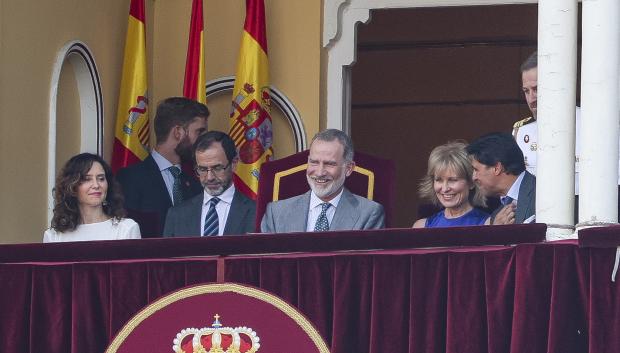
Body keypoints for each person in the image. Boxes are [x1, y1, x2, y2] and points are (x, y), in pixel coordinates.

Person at [261, 129, 385, 233]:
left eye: (329, 164)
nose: (320, 172)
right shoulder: (276, 213)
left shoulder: (369, 214)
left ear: (348, 168)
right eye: (314, 162)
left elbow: (365, 262)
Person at [117, 97, 209, 236]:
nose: (204, 140)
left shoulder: (198, 179)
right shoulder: (130, 179)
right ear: (178, 132)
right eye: (199, 132)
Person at [163, 131, 256, 236]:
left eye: (217, 168)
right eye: (202, 169)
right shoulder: (177, 215)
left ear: (234, 164)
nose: (209, 177)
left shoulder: (256, 212)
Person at [44, 153, 140, 242]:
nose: (96, 185)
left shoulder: (126, 229)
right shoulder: (54, 236)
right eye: (87, 179)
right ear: (71, 186)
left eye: (101, 178)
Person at [413, 142, 488, 228]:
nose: (445, 189)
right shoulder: (421, 227)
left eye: (452, 180)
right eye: (439, 180)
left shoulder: (487, 224)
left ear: (471, 182)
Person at [466, 132, 535, 225]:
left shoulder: (540, 193)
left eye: (476, 169)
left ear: (497, 168)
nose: (473, 177)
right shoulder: (498, 215)